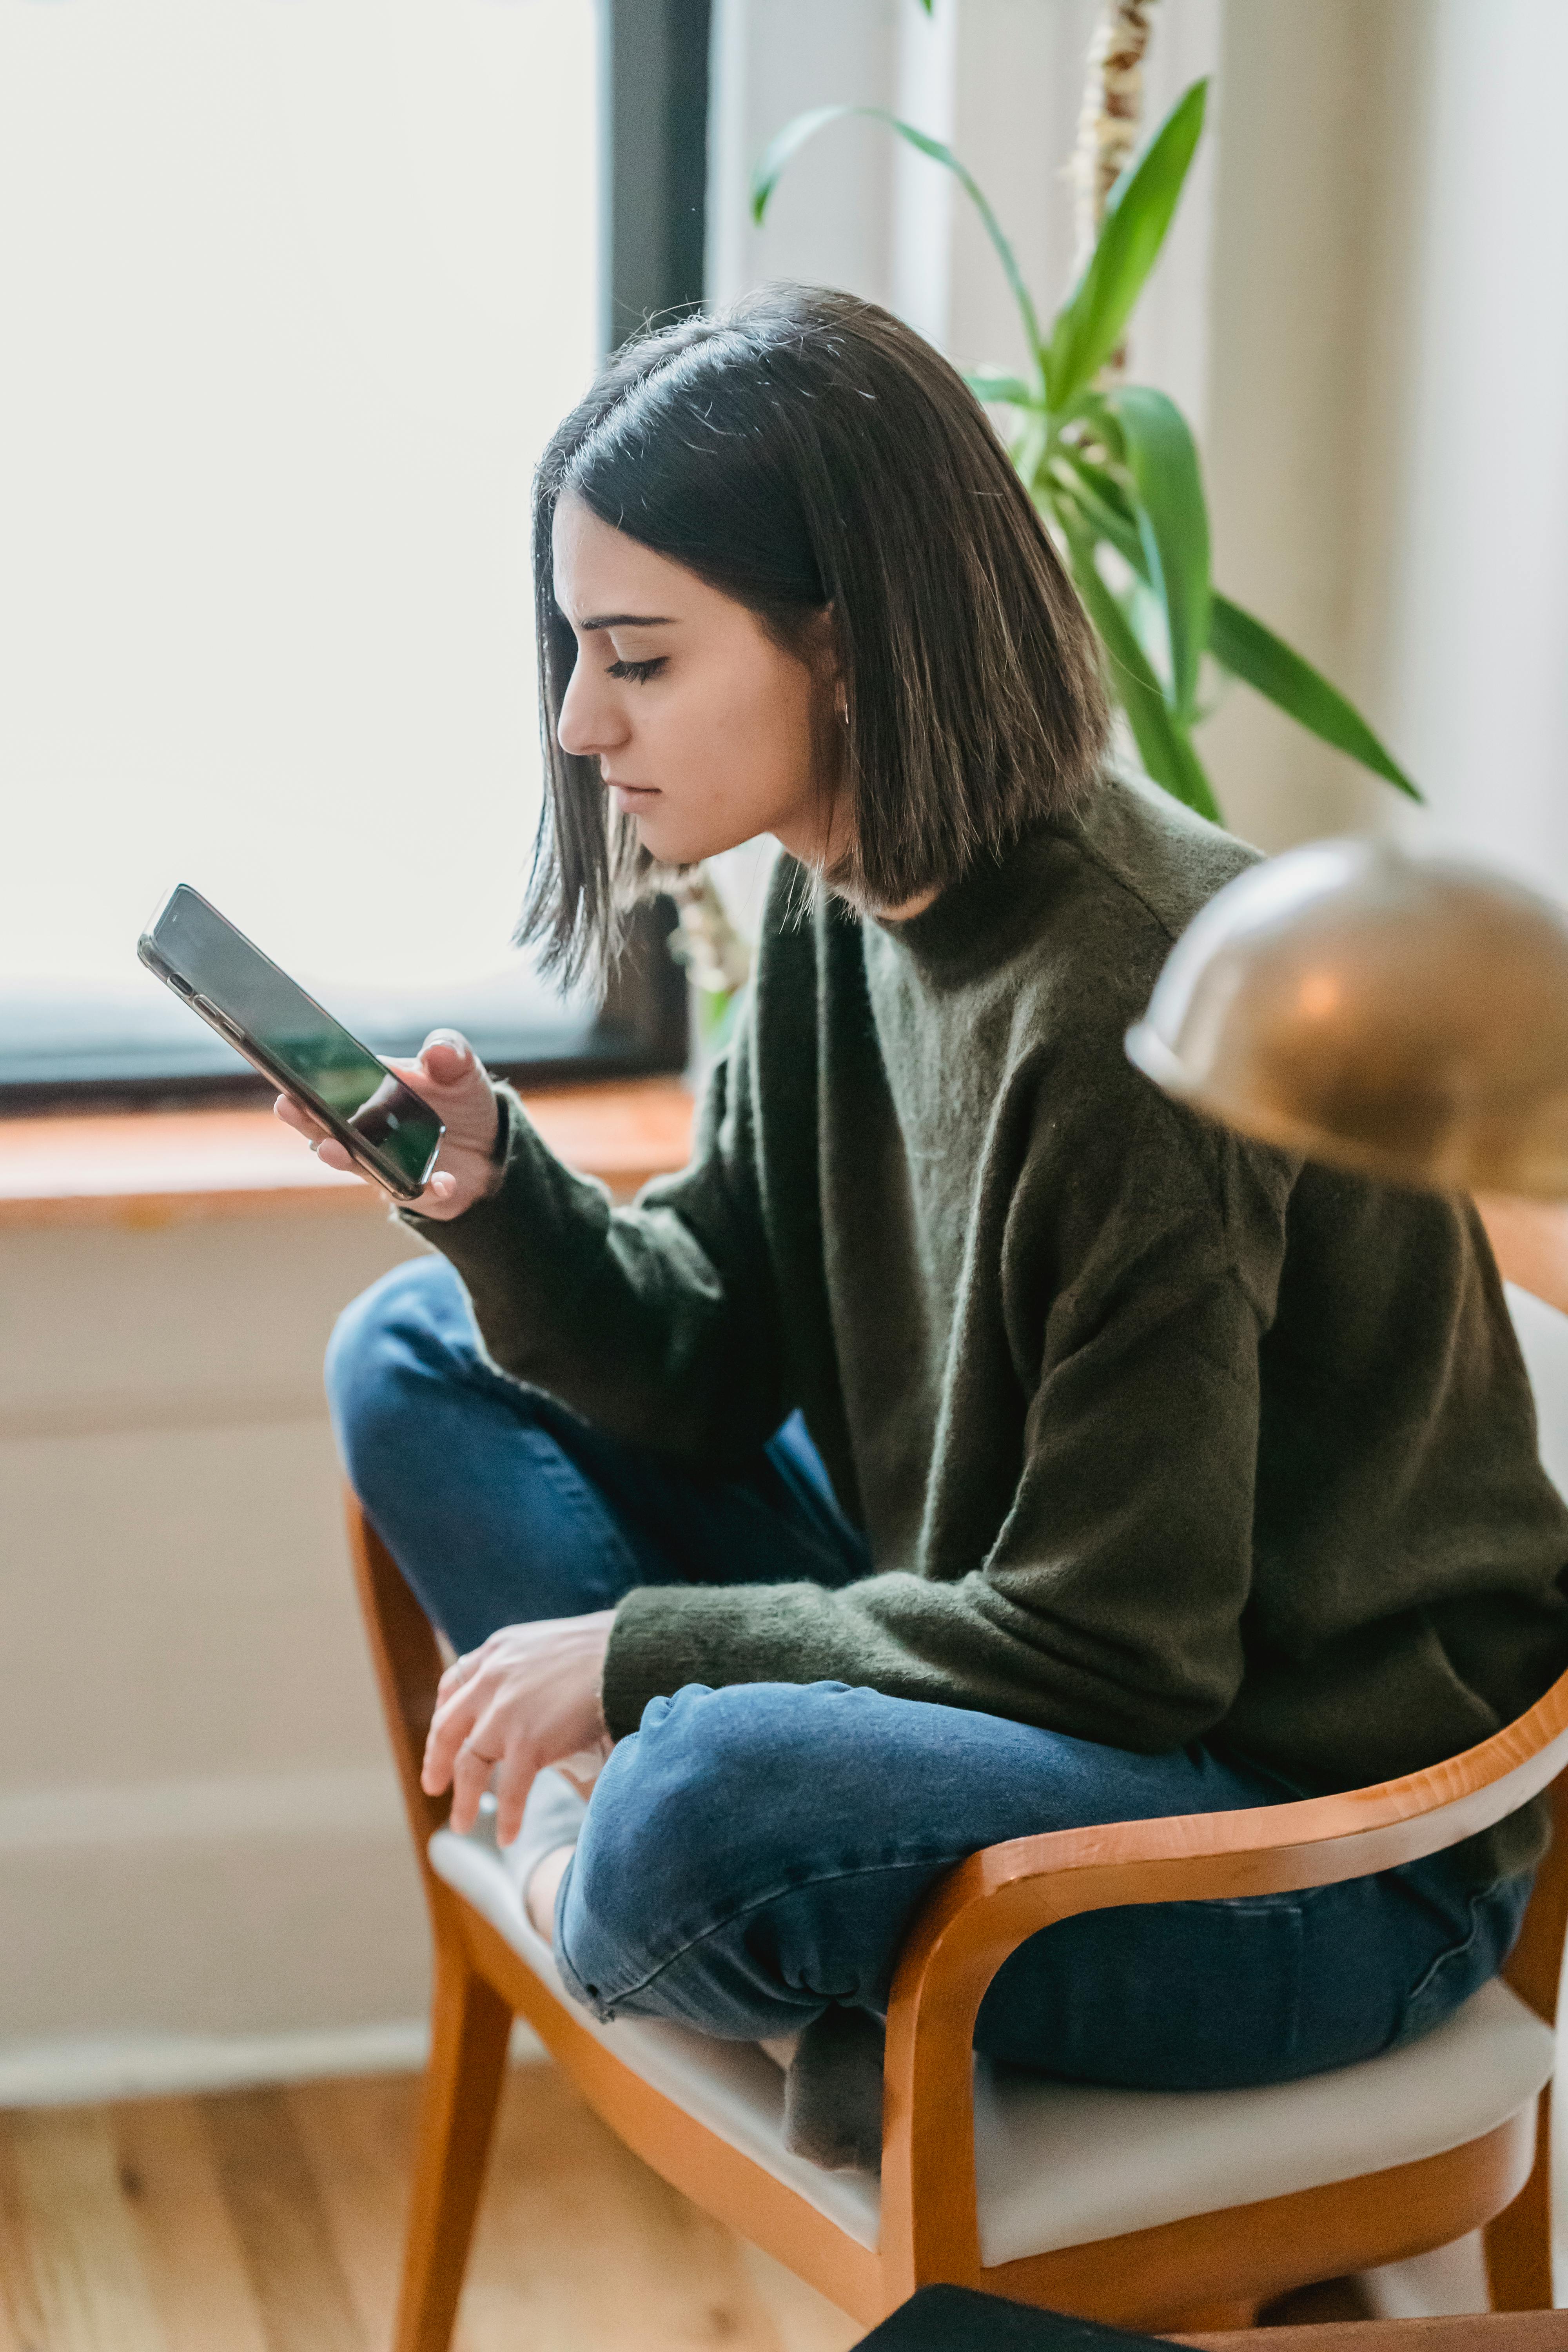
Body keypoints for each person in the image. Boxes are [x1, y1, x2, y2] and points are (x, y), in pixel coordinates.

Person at [293, 285, 1568, 2172]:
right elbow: (712, 1355)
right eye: (579, 652)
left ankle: (640, 1875)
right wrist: (496, 1199)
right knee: (407, 1345)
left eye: (637, 658)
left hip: (1289, 1844)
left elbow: (1124, 1652)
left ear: (848, 640)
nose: (580, 722)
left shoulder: (1134, 1012)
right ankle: (754, 1924)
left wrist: (645, 1662)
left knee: (704, 1796)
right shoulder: (838, 892)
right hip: (998, 1625)